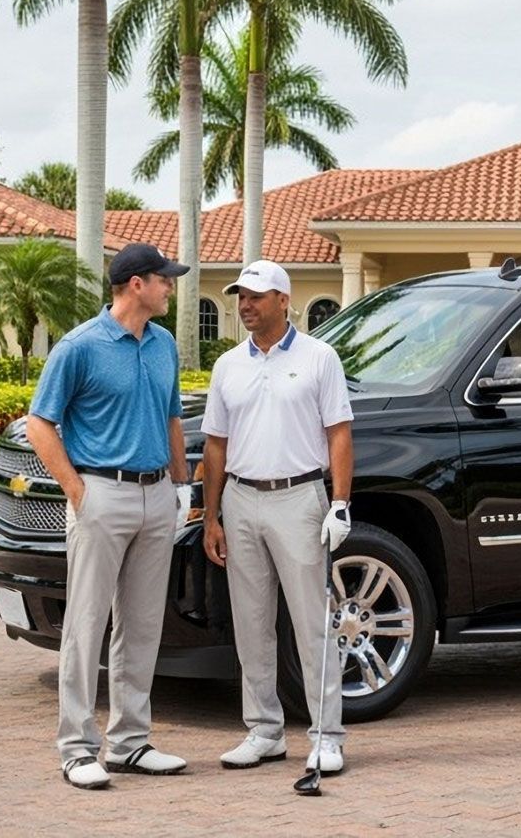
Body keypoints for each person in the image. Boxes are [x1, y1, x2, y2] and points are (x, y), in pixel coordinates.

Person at [25, 242, 194, 787]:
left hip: (156, 496)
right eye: (165, 279)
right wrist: (77, 492)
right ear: (137, 284)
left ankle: (129, 743)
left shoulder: (164, 344)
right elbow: (40, 423)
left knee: (143, 625)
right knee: (86, 624)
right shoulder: (80, 347)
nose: (171, 286)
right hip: (102, 494)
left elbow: (172, 419)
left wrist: (182, 487)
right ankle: (77, 748)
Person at [201, 260, 355, 775]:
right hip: (241, 502)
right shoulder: (228, 366)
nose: (245, 305)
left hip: (299, 499)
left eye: (256, 296)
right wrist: (212, 516)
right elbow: (216, 446)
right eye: (240, 296)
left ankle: (327, 735)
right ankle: (264, 731)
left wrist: (339, 502)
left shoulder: (319, 357)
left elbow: (339, 434)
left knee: (313, 623)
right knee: (250, 625)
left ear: (283, 301)